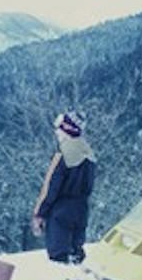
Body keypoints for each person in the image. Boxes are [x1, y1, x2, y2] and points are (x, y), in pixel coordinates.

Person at [31, 111, 97, 264]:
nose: (57, 133)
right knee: (76, 253)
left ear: (66, 129)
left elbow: (50, 188)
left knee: (59, 257)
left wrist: (39, 213)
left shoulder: (62, 155)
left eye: (59, 129)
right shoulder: (90, 155)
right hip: (81, 209)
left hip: (60, 212)